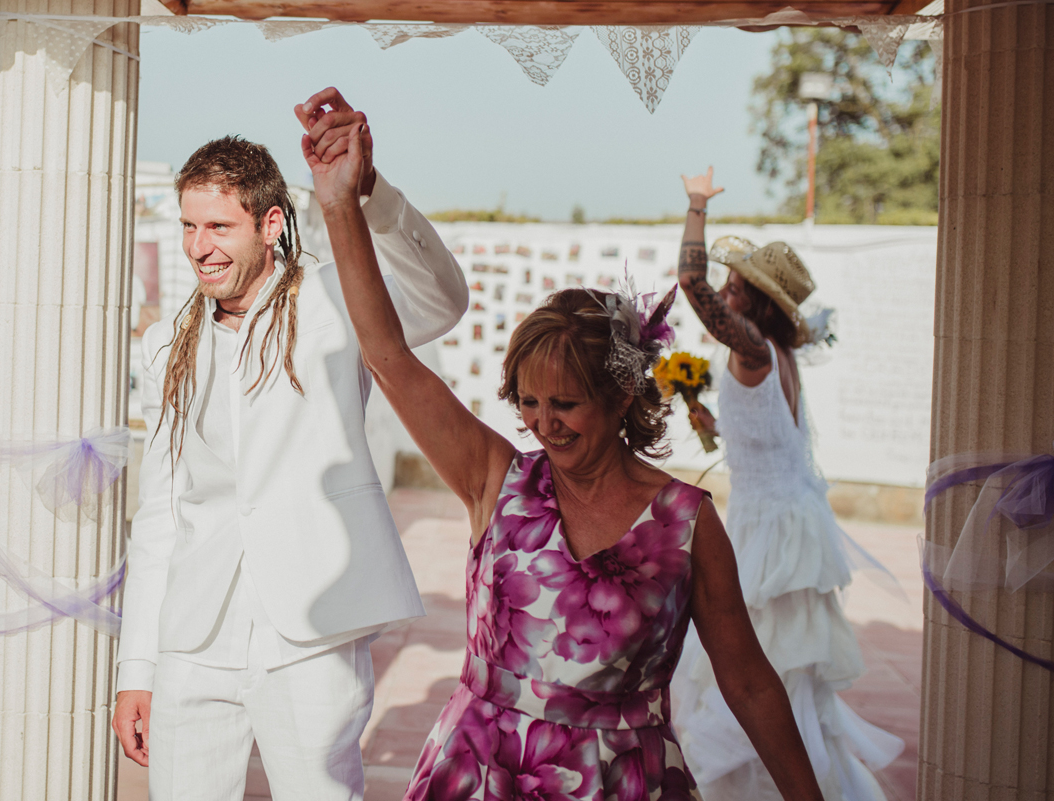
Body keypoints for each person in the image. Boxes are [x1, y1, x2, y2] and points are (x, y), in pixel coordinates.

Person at [304, 122, 827, 800]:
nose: (543, 424)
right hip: (482, 771)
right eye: (528, 401)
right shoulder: (496, 477)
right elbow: (389, 356)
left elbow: (750, 680)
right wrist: (341, 203)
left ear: (620, 398)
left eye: (567, 403)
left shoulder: (687, 523)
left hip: (621, 780)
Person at [110, 88, 469, 801]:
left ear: (271, 223)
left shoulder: (338, 300)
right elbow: (161, 512)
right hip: (194, 637)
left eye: (218, 225)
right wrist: (138, 667)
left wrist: (372, 195)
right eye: (188, 225)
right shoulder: (164, 347)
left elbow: (442, 300)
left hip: (313, 628)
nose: (198, 246)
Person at [669, 168, 905, 800]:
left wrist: (696, 204)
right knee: (783, 675)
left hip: (765, 537)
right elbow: (764, 439)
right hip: (786, 522)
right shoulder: (778, 357)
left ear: (756, 302)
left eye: (736, 285)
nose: (724, 288)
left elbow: (689, 281)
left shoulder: (752, 349)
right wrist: (709, 421)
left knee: (750, 674)